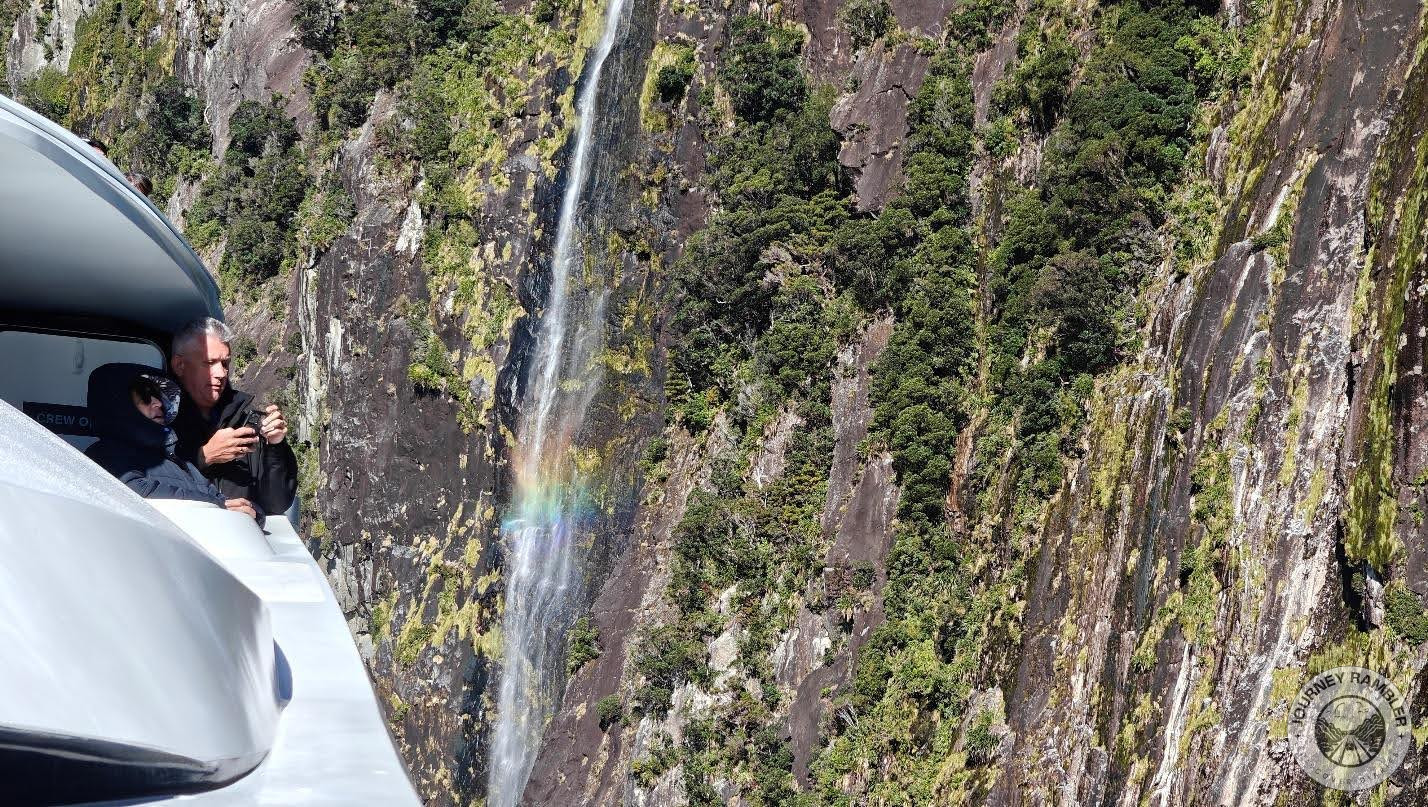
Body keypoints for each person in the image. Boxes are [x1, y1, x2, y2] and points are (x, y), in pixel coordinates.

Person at [84, 362, 257, 518]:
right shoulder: (101, 455)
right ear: (119, 405)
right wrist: (217, 506)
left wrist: (252, 513)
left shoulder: (179, 461)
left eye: (157, 395)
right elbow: (134, 493)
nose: (158, 403)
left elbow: (227, 502)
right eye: (145, 397)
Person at [169, 317, 297, 518]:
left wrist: (275, 446)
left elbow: (277, 504)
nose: (221, 373)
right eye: (209, 363)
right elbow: (145, 486)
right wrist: (204, 456)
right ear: (180, 365)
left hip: (241, 539)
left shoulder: (247, 420)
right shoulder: (158, 420)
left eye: (225, 363)